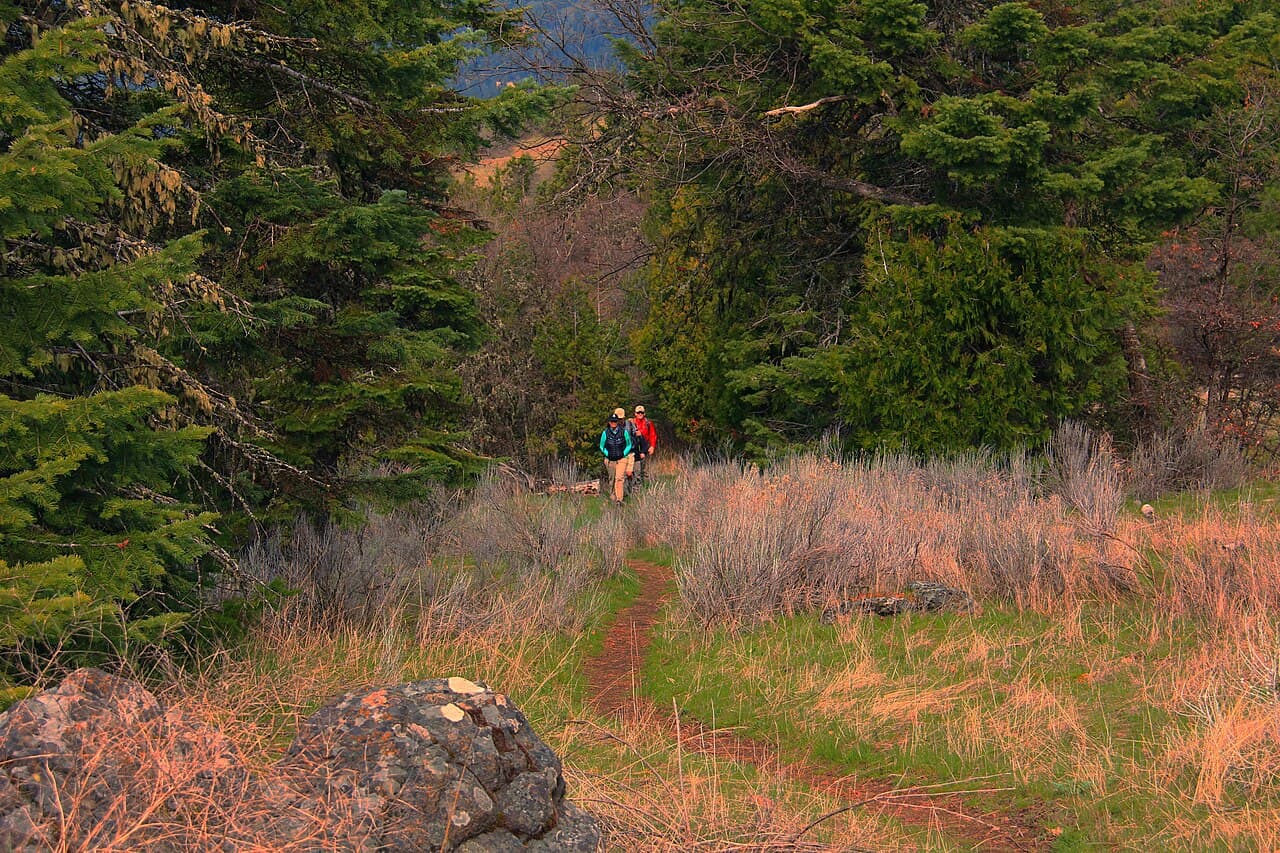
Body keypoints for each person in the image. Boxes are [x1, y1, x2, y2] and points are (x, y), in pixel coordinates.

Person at [598, 410, 632, 505]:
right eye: (612, 421)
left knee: (619, 478)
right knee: (612, 478)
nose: (614, 423)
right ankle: (613, 495)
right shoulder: (605, 433)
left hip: (621, 458)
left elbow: (629, 444)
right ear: (609, 422)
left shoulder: (623, 432)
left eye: (615, 421)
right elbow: (601, 446)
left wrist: (624, 453)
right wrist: (607, 453)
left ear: (618, 422)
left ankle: (619, 499)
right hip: (610, 459)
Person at [627, 405, 657, 485]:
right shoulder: (630, 423)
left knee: (641, 469)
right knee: (631, 470)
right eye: (638, 412)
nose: (640, 414)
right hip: (633, 449)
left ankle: (639, 488)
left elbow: (652, 435)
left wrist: (652, 446)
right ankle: (631, 487)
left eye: (642, 412)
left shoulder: (648, 423)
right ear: (635, 413)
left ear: (644, 413)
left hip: (644, 448)